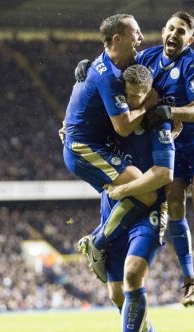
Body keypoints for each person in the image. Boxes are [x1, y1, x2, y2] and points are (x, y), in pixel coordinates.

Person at [76, 11, 194, 307]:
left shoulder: (193, 64)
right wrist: (88, 66)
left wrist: (166, 112)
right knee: (173, 204)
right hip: (171, 143)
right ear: (162, 32)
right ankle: (188, 281)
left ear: (190, 39)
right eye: (171, 28)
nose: (174, 34)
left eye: (181, 31)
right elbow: (114, 67)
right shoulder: (147, 58)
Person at [84, 64, 173, 332]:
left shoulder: (159, 123)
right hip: (113, 208)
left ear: (149, 93)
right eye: (128, 96)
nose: (133, 102)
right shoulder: (110, 119)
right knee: (116, 294)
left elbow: (163, 174)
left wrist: (124, 188)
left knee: (133, 274)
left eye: (139, 96)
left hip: (148, 212)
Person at [62, 14, 159, 284]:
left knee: (134, 194)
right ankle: (97, 241)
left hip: (88, 145)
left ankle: (100, 240)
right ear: (118, 39)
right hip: (84, 149)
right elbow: (123, 127)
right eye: (135, 33)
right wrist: (146, 106)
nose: (141, 38)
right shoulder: (110, 76)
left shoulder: (110, 63)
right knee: (148, 193)